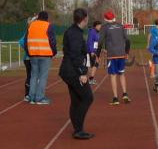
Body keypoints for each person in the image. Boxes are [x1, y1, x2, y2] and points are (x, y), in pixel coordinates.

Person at [59, 8, 95, 139]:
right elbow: (75, 55)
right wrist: (82, 73)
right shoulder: (75, 34)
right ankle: (78, 129)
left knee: (76, 100)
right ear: (84, 19)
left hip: (68, 71)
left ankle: (77, 128)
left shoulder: (74, 31)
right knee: (87, 97)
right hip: (72, 72)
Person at [97, 10, 131, 105]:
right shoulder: (121, 26)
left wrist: (97, 55)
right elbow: (128, 40)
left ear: (105, 19)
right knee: (122, 74)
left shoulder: (104, 27)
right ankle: (125, 94)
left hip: (112, 55)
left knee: (113, 75)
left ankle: (115, 98)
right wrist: (127, 52)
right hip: (121, 53)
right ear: (114, 17)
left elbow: (100, 42)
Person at [24, 11, 57, 105]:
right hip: (45, 54)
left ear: (38, 17)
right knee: (43, 76)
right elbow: (52, 41)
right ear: (46, 18)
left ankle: (31, 97)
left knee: (33, 76)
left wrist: (29, 52)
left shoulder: (31, 26)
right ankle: (39, 98)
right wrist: (53, 52)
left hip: (33, 54)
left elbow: (26, 41)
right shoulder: (48, 25)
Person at [20, 15, 35, 102]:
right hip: (31, 58)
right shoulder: (29, 31)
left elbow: (22, 42)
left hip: (28, 58)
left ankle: (28, 95)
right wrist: (29, 49)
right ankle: (29, 94)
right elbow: (21, 41)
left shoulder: (29, 31)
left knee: (30, 76)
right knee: (32, 76)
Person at [86, 20, 101, 85]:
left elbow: (97, 42)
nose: (100, 27)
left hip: (95, 51)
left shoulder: (97, 32)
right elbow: (89, 42)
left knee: (94, 64)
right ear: (95, 26)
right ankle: (90, 79)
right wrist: (91, 51)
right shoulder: (92, 32)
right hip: (91, 51)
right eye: (99, 25)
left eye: (100, 25)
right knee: (93, 64)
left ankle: (91, 78)